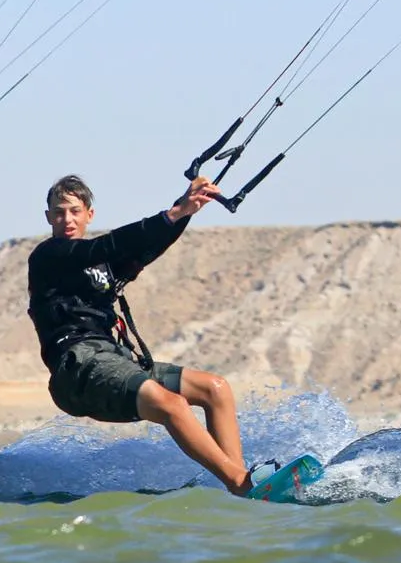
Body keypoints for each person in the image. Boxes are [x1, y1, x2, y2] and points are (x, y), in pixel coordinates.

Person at [26, 173, 255, 495]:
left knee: (215, 389)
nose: (67, 219)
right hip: (77, 367)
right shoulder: (49, 255)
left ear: (89, 214)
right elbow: (104, 246)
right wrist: (173, 213)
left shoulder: (102, 268)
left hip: (112, 358)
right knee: (172, 405)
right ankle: (241, 483)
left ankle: (243, 483)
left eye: (75, 211)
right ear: (48, 217)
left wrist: (185, 210)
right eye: (59, 212)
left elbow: (146, 248)